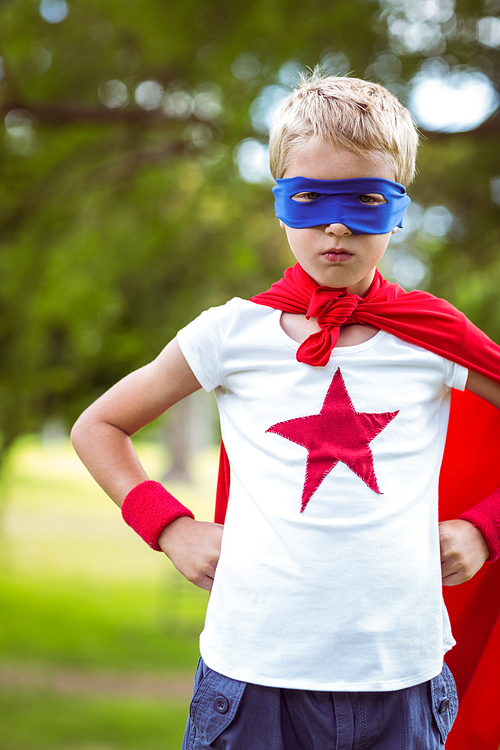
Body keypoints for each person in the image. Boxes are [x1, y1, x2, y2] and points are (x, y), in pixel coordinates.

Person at [71, 72, 500, 750]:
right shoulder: (227, 334)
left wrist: (486, 527)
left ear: (398, 208)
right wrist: (169, 526)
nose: (336, 224)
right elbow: (98, 425)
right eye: (310, 198)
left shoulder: (433, 335)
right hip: (250, 680)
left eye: (364, 198)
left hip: (401, 679)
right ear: (279, 204)